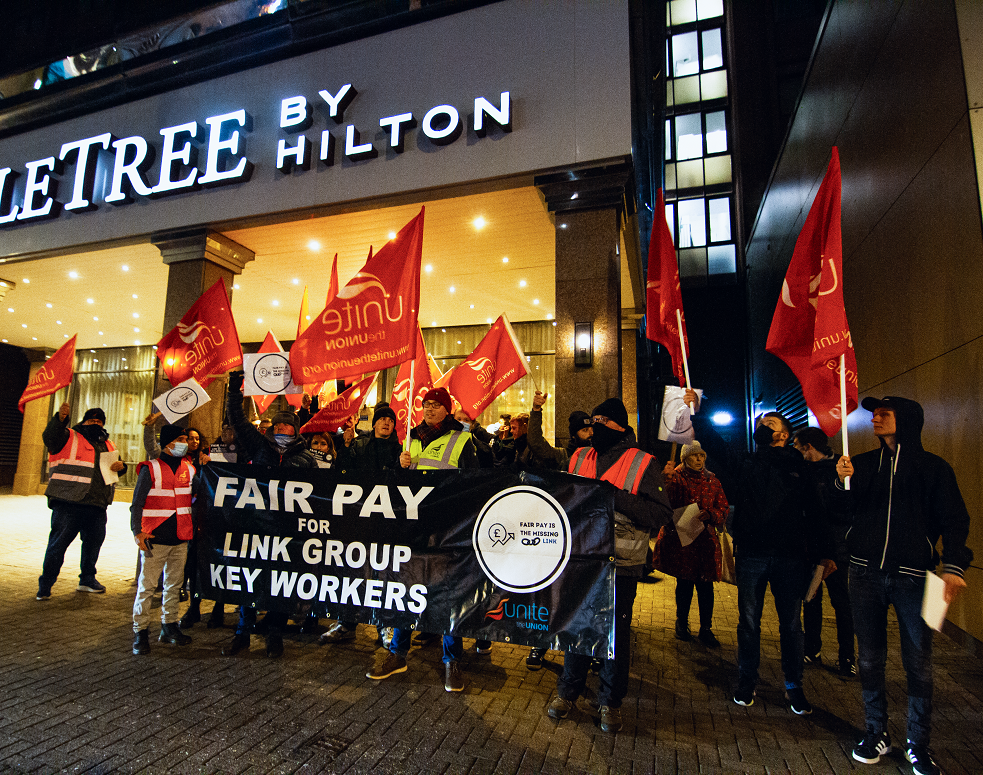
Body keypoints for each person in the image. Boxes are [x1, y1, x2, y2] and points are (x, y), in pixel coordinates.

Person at [835, 397, 972, 775]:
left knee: (919, 663)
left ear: (908, 421)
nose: (875, 418)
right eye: (874, 413)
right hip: (863, 574)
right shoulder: (860, 464)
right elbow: (836, 512)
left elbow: (955, 520)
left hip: (916, 579)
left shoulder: (933, 469)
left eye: (884, 414)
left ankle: (918, 743)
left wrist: (955, 564)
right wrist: (839, 481)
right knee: (869, 658)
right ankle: (876, 731)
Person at [690, 391, 832, 715]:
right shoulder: (748, 462)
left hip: (790, 557)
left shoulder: (799, 467)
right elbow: (717, 445)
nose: (762, 426)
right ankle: (747, 680)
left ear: (783, 434)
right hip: (752, 554)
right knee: (749, 622)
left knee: (791, 626)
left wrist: (826, 553)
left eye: (769, 423)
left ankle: (794, 685)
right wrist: (699, 413)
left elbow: (816, 510)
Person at [546, 395, 672, 733]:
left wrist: (613, 496)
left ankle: (610, 702)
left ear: (619, 426)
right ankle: (567, 692)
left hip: (622, 563)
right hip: (581, 560)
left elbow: (660, 513)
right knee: (576, 627)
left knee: (614, 633)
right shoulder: (579, 456)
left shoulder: (642, 462)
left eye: (602, 422)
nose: (594, 428)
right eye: (592, 422)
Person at [365, 387, 477, 692]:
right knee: (406, 590)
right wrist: (400, 469)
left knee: (446, 594)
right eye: (426, 404)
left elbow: (473, 485)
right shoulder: (411, 438)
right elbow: (400, 487)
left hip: (447, 530)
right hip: (413, 528)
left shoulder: (462, 439)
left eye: (435, 405)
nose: (428, 409)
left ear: (447, 410)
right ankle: (397, 654)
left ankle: (451, 660)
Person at [221, 372, 317, 658]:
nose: (283, 429)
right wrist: (236, 390)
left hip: (286, 533)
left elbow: (316, 497)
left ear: (296, 431)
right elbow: (237, 419)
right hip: (254, 529)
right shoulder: (259, 445)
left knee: (281, 585)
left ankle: (275, 634)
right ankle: (243, 633)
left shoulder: (306, 459)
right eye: (279, 425)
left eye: (289, 426)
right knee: (249, 582)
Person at [320, 405, 402, 645]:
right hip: (357, 520)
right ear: (374, 423)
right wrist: (344, 447)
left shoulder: (400, 450)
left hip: (386, 522)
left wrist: (403, 466)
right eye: (382, 419)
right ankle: (347, 622)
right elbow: (343, 473)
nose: (386, 423)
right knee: (352, 572)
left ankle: (384, 626)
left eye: (390, 420)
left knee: (384, 575)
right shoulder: (358, 446)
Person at [523, 394, 593, 670]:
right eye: (585, 429)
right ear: (575, 431)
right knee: (553, 592)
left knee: (582, 593)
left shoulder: (602, 456)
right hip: (563, 534)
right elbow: (537, 444)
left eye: (591, 429)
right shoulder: (564, 456)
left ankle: (587, 649)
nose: (590, 434)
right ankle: (540, 645)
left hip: (587, 534)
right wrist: (536, 410)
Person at [37, 403, 127, 599]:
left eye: (99, 421)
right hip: (69, 502)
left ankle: (87, 579)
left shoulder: (108, 444)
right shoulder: (68, 436)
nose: (95, 423)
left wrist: (122, 466)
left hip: (97, 504)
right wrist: (59, 420)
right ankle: (45, 585)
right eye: (91, 420)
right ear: (83, 421)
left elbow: (114, 467)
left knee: (93, 545)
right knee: (58, 545)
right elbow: (50, 438)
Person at [652, 440, 729, 648]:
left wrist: (711, 514)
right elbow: (661, 500)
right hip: (683, 542)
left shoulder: (712, 481)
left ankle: (706, 628)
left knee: (706, 587)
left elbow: (722, 508)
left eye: (702, 455)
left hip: (705, 544)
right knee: (684, 585)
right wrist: (663, 480)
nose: (699, 459)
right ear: (684, 458)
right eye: (694, 456)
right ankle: (681, 623)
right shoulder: (674, 478)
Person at [793, 426, 856, 676]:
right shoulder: (804, 472)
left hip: (836, 552)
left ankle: (847, 657)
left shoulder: (840, 471)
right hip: (811, 549)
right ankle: (812, 650)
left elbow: (844, 513)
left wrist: (832, 552)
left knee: (842, 604)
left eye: (798, 446)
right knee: (811, 600)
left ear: (808, 448)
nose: (796, 451)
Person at [131, 425, 197, 655]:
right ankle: (140, 632)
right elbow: (137, 503)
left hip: (180, 537)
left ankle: (169, 626)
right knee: (147, 587)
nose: (184, 443)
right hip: (154, 538)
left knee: (174, 586)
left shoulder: (189, 469)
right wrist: (136, 532)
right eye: (180, 439)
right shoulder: (150, 469)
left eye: (185, 439)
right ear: (168, 443)